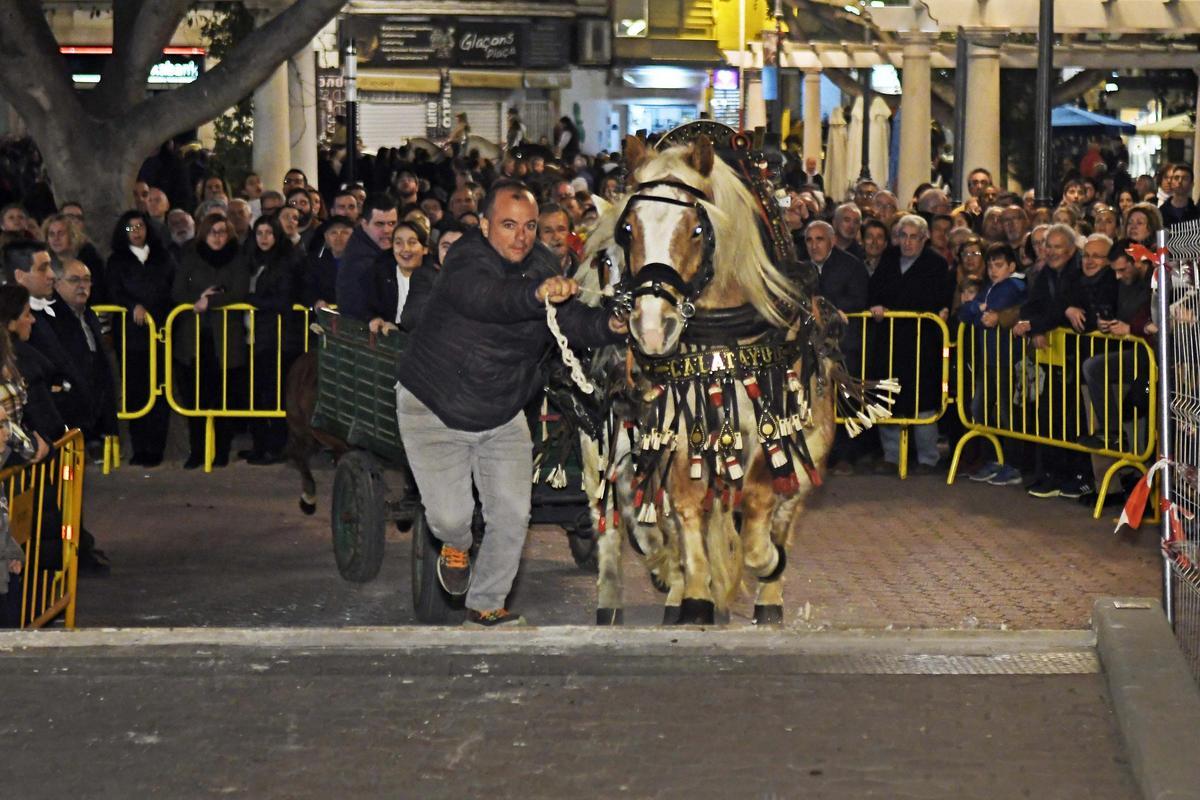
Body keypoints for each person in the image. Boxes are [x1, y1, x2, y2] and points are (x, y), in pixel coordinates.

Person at [394, 179, 625, 626]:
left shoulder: (541, 263)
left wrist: (612, 325)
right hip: (434, 406)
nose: (521, 236)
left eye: (530, 226)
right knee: (450, 517)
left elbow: (572, 320)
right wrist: (537, 295)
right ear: (483, 226)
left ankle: (486, 606)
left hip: (501, 412)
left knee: (513, 514)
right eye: (508, 225)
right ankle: (456, 546)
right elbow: (490, 301)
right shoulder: (465, 259)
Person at [868, 214, 953, 473]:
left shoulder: (935, 264)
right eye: (902, 236)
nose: (907, 242)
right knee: (888, 396)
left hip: (922, 343)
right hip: (890, 341)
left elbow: (939, 299)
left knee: (924, 402)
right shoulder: (890, 258)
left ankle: (928, 458)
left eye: (913, 237)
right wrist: (877, 306)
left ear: (924, 238)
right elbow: (875, 291)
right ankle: (891, 456)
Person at [1012, 223, 1091, 499]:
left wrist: (1038, 324)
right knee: (1050, 415)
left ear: (1071, 250)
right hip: (1052, 358)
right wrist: (1035, 326)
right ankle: (1052, 474)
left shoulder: (1079, 271)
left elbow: (1071, 309)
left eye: (1058, 247)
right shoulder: (1044, 272)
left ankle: (1079, 476)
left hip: (1077, 357)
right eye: (1048, 246)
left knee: (1075, 417)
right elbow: (1034, 307)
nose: (1051, 251)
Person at [171, 213, 250, 469]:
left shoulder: (237, 260)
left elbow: (239, 291)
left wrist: (211, 301)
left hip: (225, 340)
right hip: (194, 340)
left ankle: (221, 451)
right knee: (196, 400)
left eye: (222, 232)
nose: (217, 237)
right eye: (213, 232)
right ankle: (197, 450)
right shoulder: (191, 258)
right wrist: (199, 298)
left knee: (223, 399)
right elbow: (177, 291)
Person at [106, 210, 175, 467]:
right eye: (130, 228)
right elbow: (113, 291)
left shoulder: (163, 258)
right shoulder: (117, 261)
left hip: (160, 336)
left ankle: (156, 448)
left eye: (140, 226)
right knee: (135, 392)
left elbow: (172, 290)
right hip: (131, 337)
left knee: (160, 392)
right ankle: (140, 447)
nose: (136, 231)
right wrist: (132, 305)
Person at [960, 243, 1028, 487]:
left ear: (1011, 266)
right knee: (981, 409)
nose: (992, 270)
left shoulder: (1015, 286)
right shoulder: (991, 288)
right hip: (989, 359)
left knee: (1007, 412)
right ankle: (992, 458)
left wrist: (979, 308)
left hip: (1008, 359)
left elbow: (993, 306)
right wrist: (979, 309)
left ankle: (1013, 463)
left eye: (998, 265)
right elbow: (966, 312)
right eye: (989, 265)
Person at [243, 215, 300, 465]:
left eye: (269, 233)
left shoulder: (285, 262)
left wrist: (253, 301)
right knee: (255, 394)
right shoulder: (251, 261)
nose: (264, 238)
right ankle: (259, 444)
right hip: (253, 337)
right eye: (260, 233)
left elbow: (283, 300)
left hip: (276, 338)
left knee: (274, 395)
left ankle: (276, 446)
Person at [336, 193, 398, 321]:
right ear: (364, 224)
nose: (387, 230)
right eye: (379, 224)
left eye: (392, 223)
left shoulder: (392, 251)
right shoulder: (358, 262)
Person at [366, 220, 431, 335]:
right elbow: (367, 307)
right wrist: (374, 318)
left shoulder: (435, 280)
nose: (405, 249)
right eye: (398, 243)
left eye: (412, 242)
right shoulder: (380, 275)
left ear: (425, 249)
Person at [303, 215, 352, 309]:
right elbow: (306, 288)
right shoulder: (313, 262)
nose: (339, 237)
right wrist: (316, 301)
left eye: (344, 232)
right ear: (326, 237)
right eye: (333, 233)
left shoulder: (363, 262)